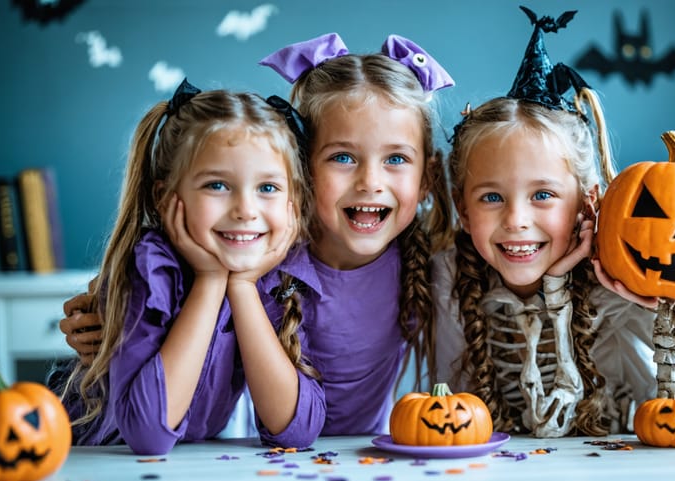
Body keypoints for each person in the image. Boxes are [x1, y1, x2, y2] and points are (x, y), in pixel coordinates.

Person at [433, 7, 675, 438]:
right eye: (492, 197)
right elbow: (445, 419)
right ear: (462, 205)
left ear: (589, 202)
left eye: (543, 195)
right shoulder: (450, 279)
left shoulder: (627, 282)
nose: (516, 220)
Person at [59, 32, 455, 442]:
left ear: (425, 177)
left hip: (351, 464)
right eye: (342, 157)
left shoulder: (423, 260)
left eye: (395, 159)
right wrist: (111, 312)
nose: (370, 182)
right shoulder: (258, 251)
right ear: (299, 171)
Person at [54, 79, 314, 455]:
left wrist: (241, 287)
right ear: (165, 197)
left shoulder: (277, 277)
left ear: (294, 200)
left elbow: (296, 432)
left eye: (268, 188)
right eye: (217, 185)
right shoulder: (149, 271)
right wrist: (210, 280)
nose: (245, 209)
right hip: (88, 465)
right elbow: (148, 436)